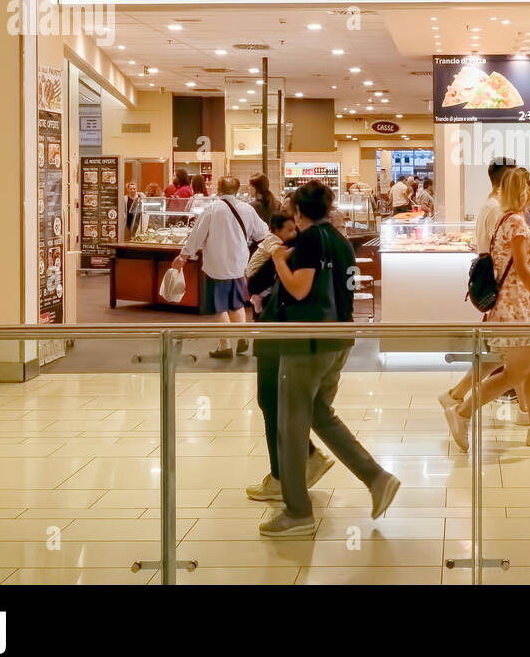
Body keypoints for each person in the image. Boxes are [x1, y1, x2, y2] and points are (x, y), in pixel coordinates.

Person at [257, 181, 401, 536]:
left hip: (307, 342)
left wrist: (277, 257)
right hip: (338, 338)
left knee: (291, 425)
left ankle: (297, 511)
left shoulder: (308, 240)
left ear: (298, 212)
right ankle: (377, 477)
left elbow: (300, 288)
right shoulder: (339, 240)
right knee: (319, 413)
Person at [445, 167, 530, 449]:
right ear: (522, 190)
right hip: (517, 308)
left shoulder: (505, 220)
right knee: (515, 372)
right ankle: (461, 412)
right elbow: (523, 271)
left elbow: (515, 269)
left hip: (521, 304)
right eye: (528, 187)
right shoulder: (515, 222)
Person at [245, 209, 333, 504]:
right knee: (280, 401)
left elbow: (255, 284)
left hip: (280, 331)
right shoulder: (325, 244)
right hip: (298, 333)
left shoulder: (294, 251)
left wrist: (277, 263)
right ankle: (300, 462)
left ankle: (284, 476)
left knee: (271, 399)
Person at [439, 157, 514, 414]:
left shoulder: (490, 205)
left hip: (495, 280)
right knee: (513, 357)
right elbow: (503, 247)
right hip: (501, 284)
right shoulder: (497, 209)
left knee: (507, 355)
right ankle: (459, 402)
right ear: (507, 180)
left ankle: (528, 415)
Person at [170, 176, 269, 358]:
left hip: (216, 266)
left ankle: (224, 345)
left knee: (220, 306)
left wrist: (183, 256)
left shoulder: (212, 209)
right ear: (237, 190)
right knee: (237, 303)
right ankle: (242, 336)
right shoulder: (247, 209)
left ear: (219, 188)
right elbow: (263, 233)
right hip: (239, 264)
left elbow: (196, 236)